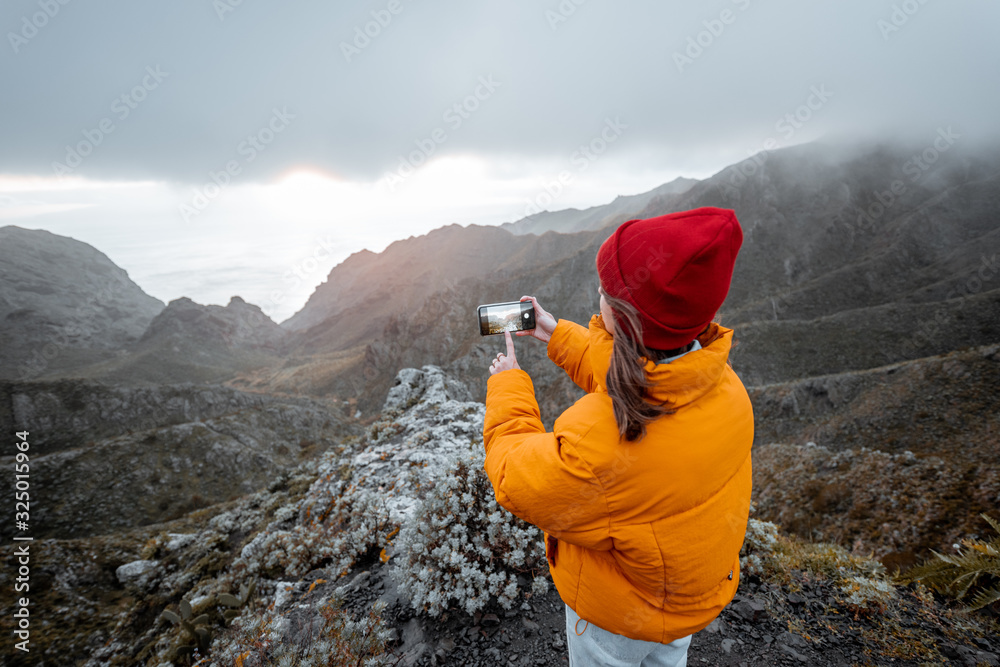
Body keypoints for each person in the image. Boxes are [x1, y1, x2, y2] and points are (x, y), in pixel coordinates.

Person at [483, 206, 753, 667]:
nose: (599, 298)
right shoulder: (725, 388)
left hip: (617, 619)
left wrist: (508, 385)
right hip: (685, 601)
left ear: (621, 318)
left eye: (605, 293)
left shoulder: (597, 441)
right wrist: (555, 335)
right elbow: (639, 376)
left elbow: (514, 475)